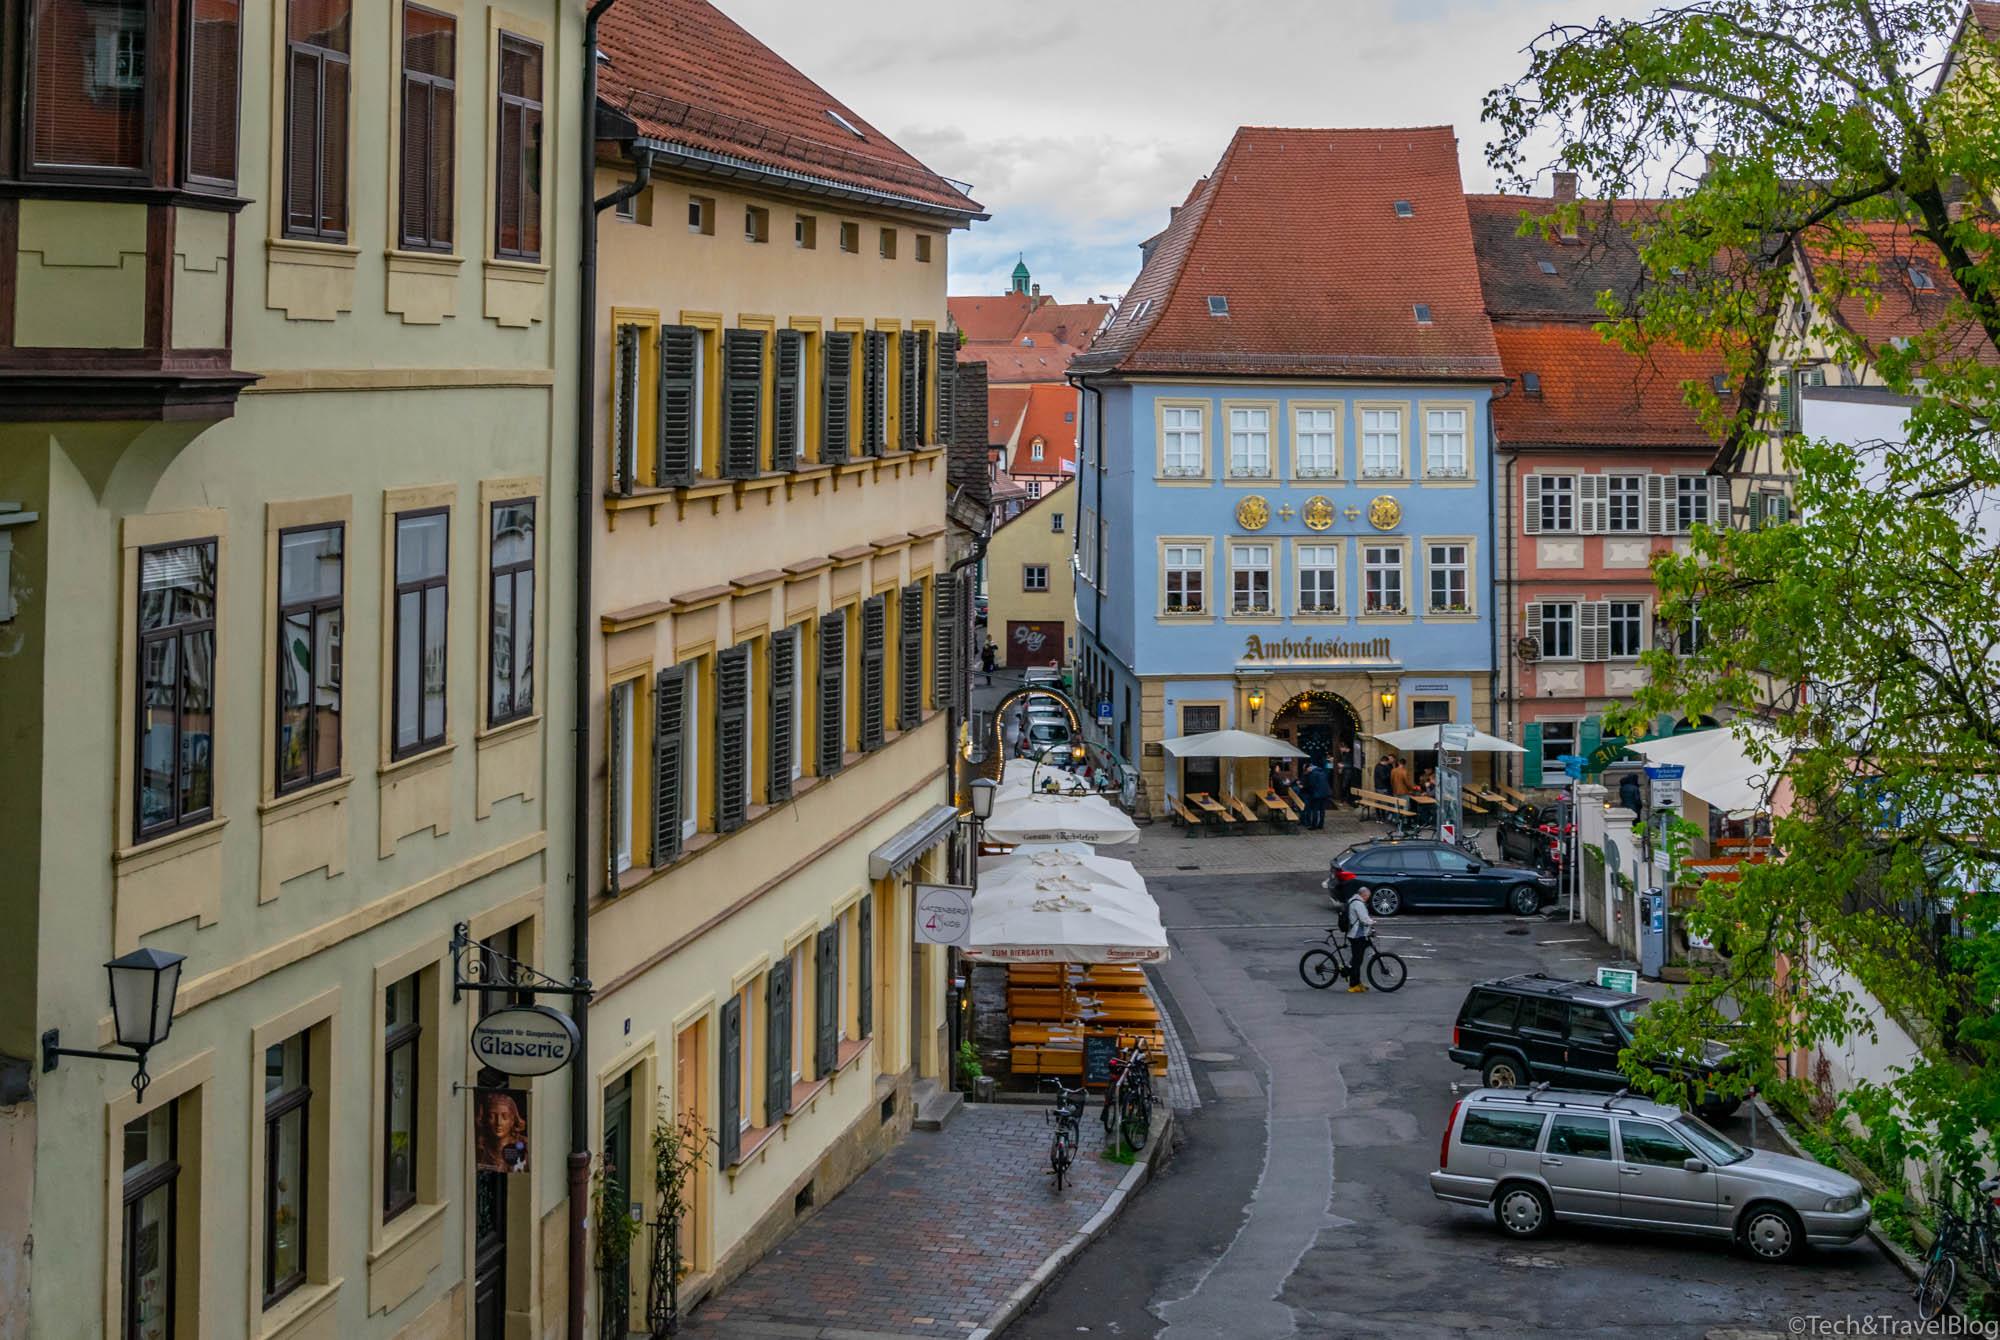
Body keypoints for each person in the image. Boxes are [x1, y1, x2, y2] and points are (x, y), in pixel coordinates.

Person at [1345, 885, 1376, 992]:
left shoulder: (1354, 901)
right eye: (1367, 896)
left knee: (1357, 959)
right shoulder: (1358, 903)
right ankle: (1353, 985)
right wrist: (1372, 922)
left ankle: (1357, 982)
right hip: (1356, 935)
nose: (1368, 898)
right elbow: (1363, 919)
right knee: (1357, 961)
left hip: (1356, 934)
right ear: (1363, 894)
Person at [1304, 758, 1333, 829]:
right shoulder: (1322, 771)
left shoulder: (1313, 774)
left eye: (1306, 769)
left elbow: (1312, 785)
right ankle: (1321, 825)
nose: (1306, 771)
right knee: (1322, 810)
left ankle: (1314, 825)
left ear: (1309, 768)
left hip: (1317, 794)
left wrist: (1309, 792)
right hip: (1325, 793)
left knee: (1315, 810)